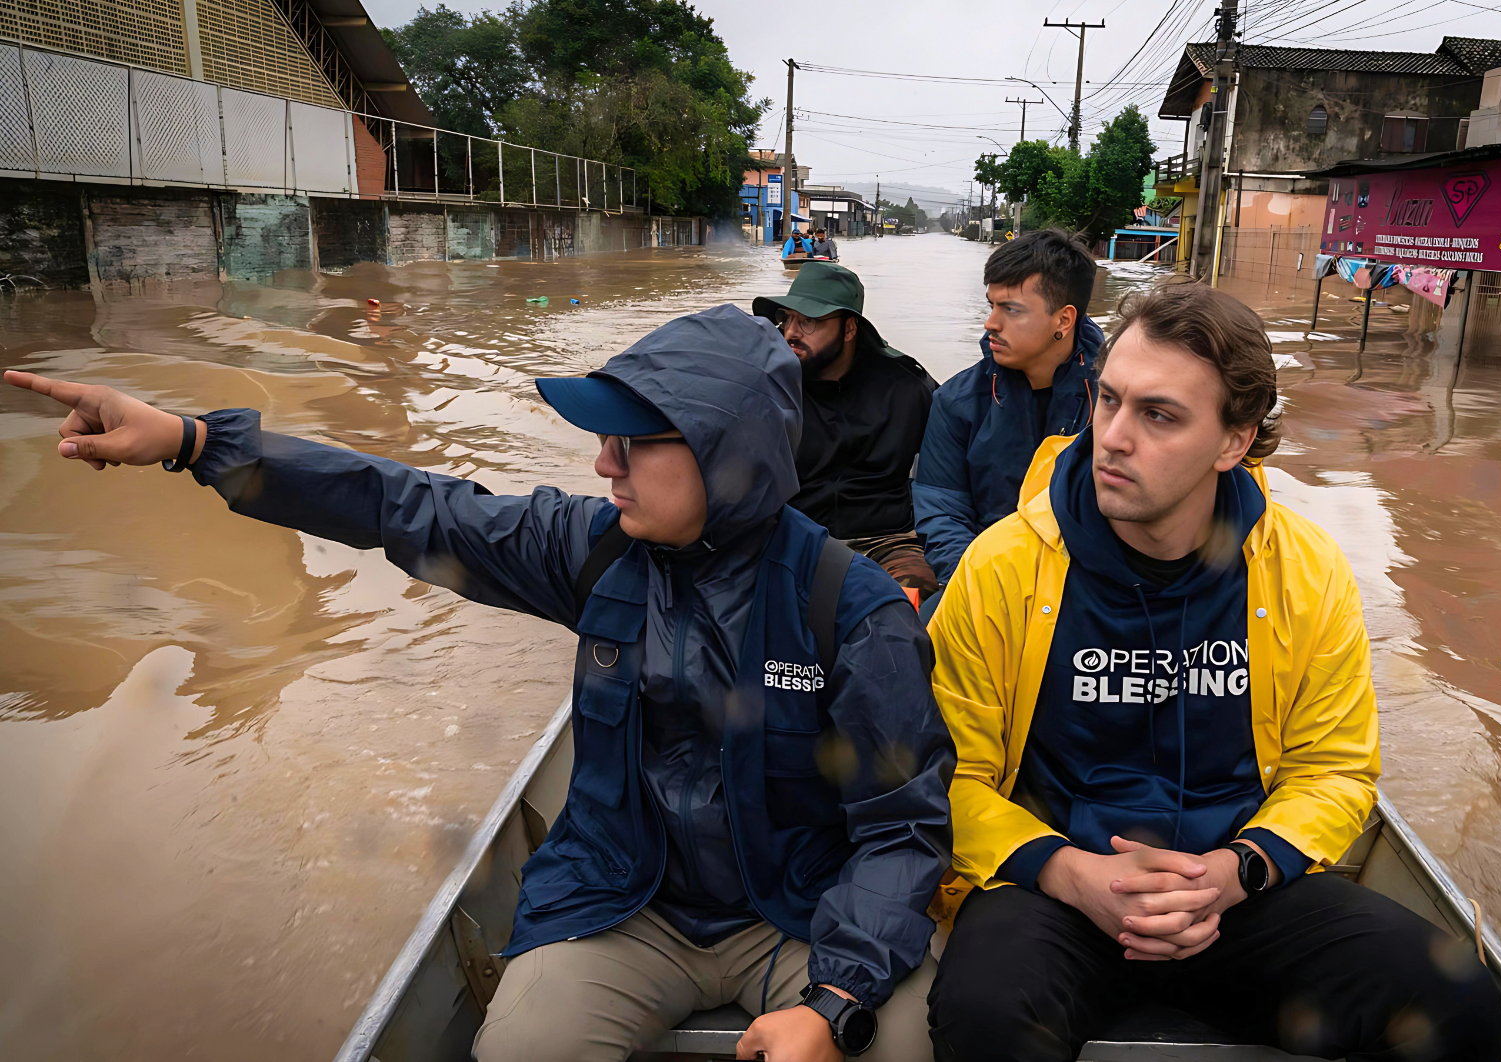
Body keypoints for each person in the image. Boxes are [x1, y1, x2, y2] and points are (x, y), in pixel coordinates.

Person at [3, 304, 954, 1062]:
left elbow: (903, 831)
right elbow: (407, 507)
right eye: (604, 441)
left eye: (633, 443)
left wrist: (834, 1003)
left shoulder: (852, 613)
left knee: (904, 1038)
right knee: (521, 1047)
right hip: (624, 904)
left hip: (795, 914)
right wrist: (195, 442)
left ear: (729, 453)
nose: (601, 464)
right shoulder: (592, 552)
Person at [923, 283, 1501, 1062]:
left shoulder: (1303, 569)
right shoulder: (1003, 567)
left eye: (1159, 416)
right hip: (1055, 885)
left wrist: (1239, 870)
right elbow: (946, 777)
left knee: (1452, 997)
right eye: (1109, 402)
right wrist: (1068, 872)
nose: (1113, 439)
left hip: (1234, 888)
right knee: (985, 1014)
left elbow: (1333, 770)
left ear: (1235, 441)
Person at [912, 228, 1105, 592]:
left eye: (1011, 310)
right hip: (987, 579)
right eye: (991, 306)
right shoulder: (956, 401)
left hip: (1093, 585)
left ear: (1064, 320)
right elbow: (942, 513)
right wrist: (981, 591)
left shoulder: (1116, 399)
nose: (990, 324)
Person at [754, 262, 939, 592]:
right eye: (787, 318)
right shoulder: (768, 388)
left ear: (850, 329)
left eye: (808, 321)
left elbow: (951, 475)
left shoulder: (909, 389)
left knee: (918, 601)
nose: (790, 333)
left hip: (888, 542)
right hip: (792, 537)